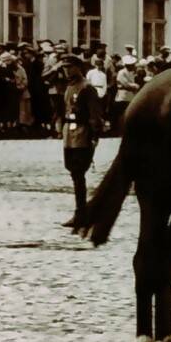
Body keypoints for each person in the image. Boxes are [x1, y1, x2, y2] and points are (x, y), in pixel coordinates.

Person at [61, 55, 103, 228]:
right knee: (73, 172)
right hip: (69, 134)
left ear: (78, 67)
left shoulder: (87, 88)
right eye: (64, 67)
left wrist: (95, 135)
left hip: (82, 133)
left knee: (79, 173)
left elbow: (95, 115)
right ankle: (82, 211)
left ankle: (81, 213)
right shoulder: (69, 87)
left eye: (69, 66)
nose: (66, 70)